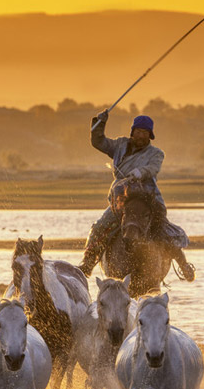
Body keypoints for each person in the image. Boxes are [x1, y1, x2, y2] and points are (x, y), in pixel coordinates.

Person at [79, 111, 196, 281]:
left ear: (150, 135)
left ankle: (183, 264)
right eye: (138, 131)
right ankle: (88, 263)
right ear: (132, 132)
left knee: (164, 229)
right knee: (100, 226)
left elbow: (153, 169)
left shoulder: (156, 153)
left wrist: (140, 172)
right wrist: (100, 123)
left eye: (145, 133)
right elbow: (98, 142)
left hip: (147, 197)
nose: (141, 135)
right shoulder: (119, 145)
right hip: (121, 198)